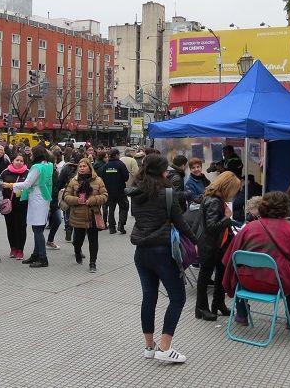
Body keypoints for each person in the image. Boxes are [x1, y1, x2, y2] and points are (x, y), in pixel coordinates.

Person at [129, 154, 198, 363]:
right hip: (162, 251)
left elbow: (139, 217)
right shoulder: (167, 194)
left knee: (149, 297)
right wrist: (196, 241)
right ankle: (165, 347)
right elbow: (181, 223)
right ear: (161, 172)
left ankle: (149, 347)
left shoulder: (136, 192)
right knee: (178, 298)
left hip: (141, 252)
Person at [222, 191, 290, 328]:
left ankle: (241, 314)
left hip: (247, 282)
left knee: (238, 270)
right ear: (286, 208)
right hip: (278, 285)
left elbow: (230, 258)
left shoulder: (248, 229)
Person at [195, 171, 242, 322]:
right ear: (227, 187)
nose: (235, 193)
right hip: (211, 244)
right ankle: (202, 308)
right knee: (205, 275)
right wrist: (227, 218)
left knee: (219, 274)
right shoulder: (214, 201)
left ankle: (218, 303)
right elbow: (212, 226)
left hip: (217, 244)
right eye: (234, 189)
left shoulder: (213, 198)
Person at [3, 146, 54, 268]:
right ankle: (36, 254)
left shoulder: (37, 167)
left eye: (31, 153)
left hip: (37, 199)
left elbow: (27, 183)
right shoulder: (48, 165)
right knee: (38, 229)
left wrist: (10, 185)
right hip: (43, 198)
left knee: (37, 230)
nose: (30, 155)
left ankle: (42, 257)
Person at [64, 158, 108, 272]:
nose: (82, 168)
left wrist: (93, 200)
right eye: (80, 166)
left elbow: (105, 196)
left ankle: (92, 263)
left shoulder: (98, 180)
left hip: (93, 214)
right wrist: (76, 200)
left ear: (89, 167)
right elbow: (66, 197)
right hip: (78, 215)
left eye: (84, 166)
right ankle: (77, 252)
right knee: (77, 240)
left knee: (93, 240)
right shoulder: (74, 181)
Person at [0, 154, 29, 260]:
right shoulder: (5, 172)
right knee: (10, 227)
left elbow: (30, 187)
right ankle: (13, 248)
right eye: (17, 160)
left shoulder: (28, 173)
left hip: (22, 205)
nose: (19, 162)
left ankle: (20, 250)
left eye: (21, 161)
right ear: (12, 161)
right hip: (8, 205)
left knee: (21, 228)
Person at [101, 148, 130, 234]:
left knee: (111, 209)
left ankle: (112, 227)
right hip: (120, 190)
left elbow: (103, 178)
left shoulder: (106, 166)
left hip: (109, 191)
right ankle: (121, 224)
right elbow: (126, 177)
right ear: (117, 155)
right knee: (124, 207)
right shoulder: (121, 165)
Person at [57, 153, 81, 242]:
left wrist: (59, 190)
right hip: (79, 194)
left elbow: (60, 181)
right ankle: (76, 230)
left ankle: (68, 228)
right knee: (78, 213)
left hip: (67, 192)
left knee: (67, 211)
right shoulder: (83, 167)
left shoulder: (66, 167)